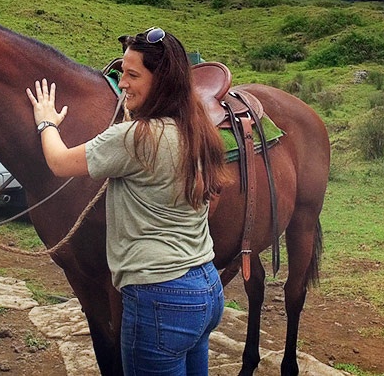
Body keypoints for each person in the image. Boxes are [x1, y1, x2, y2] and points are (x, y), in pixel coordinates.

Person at [27, 27, 233, 376]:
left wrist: (46, 121)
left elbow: (60, 162)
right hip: (206, 288)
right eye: (122, 72)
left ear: (162, 81)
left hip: (159, 298)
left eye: (133, 74)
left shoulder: (134, 139)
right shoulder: (195, 129)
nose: (122, 83)